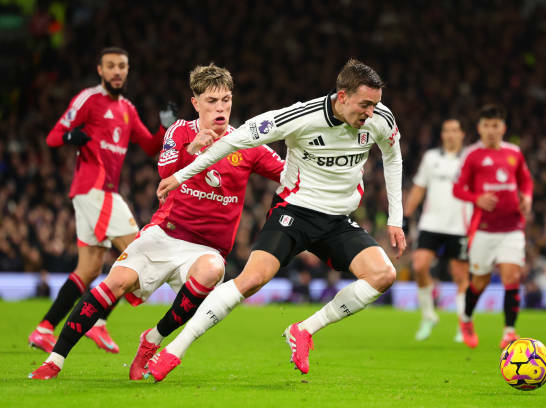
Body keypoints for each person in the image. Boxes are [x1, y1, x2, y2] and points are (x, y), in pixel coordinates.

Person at [149, 59, 405, 381]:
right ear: (342, 97)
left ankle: (304, 330)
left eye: (375, 104)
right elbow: (234, 140)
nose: (371, 113)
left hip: (338, 218)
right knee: (251, 280)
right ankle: (174, 351)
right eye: (365, 105)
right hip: (294, 211)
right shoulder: (300, 117)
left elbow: (393, 157)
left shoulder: (380, 118)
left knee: (383, 275)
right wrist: (182, 175)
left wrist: (396, 219)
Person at [28, 63, 284, 380]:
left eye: (226, 100)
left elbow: (286, 173)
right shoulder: (180, 131)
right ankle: (54, 360)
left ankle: (152, 340)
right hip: (164, 235)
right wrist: (193, 149)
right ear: (196, 103)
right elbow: (164, 172)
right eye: (212, 101)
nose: (220, 108)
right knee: (114, 284)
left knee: (212, 270)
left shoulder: (246, 143)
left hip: (206, 249)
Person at [28, 46, 176, 355]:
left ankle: (44, 329)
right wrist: (70, 137)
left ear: (127, 70)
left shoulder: (127, 109)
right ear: (100, 70)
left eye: (122, 66)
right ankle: (98, 321)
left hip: (97, 194)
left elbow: (150, 146)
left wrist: (165, 127)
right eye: (111, 66)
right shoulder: (89, 99)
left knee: (89, 269)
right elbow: (53, 137)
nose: (117, 71)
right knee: (138, 250)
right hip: (95, 189)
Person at [452, 104, 533, 349]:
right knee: (480, 282)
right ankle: (466, 319)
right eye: (486, 125)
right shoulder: (472, 155)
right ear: (479, 128)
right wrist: (476, 198)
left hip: (512, 227)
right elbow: (458, 189)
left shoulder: (514, 153)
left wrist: (527, 197)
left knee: (512, 276)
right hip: (483, 229)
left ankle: (509, 332)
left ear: (503, 128)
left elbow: (526, 181)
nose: (490, 130)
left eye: (495, 126)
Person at [404, 118, 471, 342]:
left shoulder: (470, 158)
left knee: (460, 275)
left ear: (462, 134)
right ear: (442, 135)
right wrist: (405, 216)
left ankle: (463, 324)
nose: (451, 134)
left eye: (455, 130)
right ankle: (428, 316)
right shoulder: (431, 158)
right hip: (431, 223)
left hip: (459, 226)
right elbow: (419, 188)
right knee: (419, 266)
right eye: (447, 130)